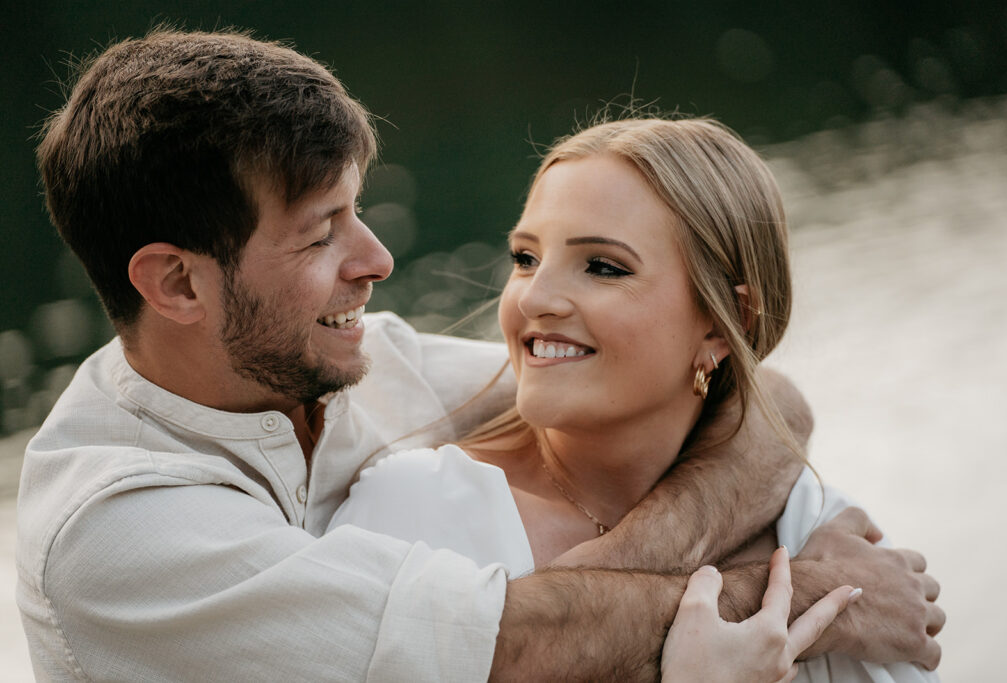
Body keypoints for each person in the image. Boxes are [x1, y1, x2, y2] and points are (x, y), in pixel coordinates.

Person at [16, 28, 942, 681]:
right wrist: (814, 596)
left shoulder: (356, 363)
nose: (376, 261)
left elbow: (757, 394)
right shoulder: (116, 531)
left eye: (359, 210)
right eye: (320, 235)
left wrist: (632, 550)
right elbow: (505, 648)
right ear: (177, 285)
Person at [329, 117, 943, 681]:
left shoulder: (813, 525)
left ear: (723, 320)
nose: (535, 297)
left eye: (602, 266)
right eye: (525, 258)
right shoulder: (415, 511)